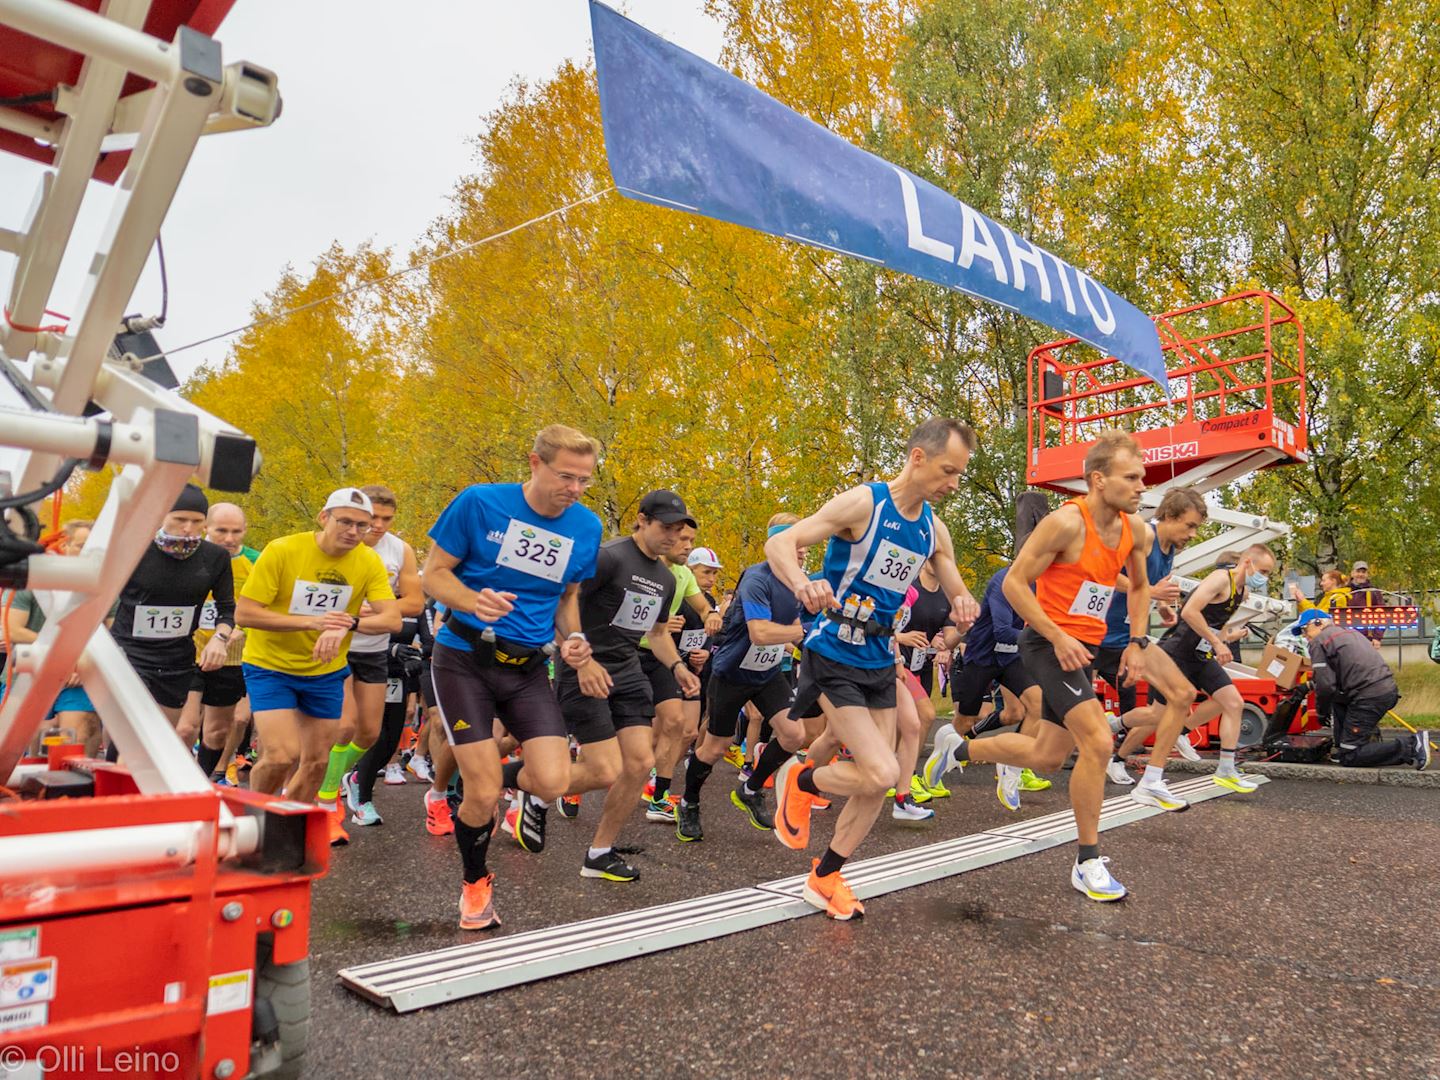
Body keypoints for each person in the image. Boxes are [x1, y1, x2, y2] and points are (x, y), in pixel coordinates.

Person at [926, 430, 1156, 902]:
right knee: (1097, 742)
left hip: (1082, 651)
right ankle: (1087, 860)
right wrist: (1057, 634)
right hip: (1046, 646)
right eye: (1131, 477)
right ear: (1098, 479)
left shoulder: (1138, 530)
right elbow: (1013, 584)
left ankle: (958, 751)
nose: (1142, 485)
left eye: (1143, 477)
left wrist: (1137, 641)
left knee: (1047, 756)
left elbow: (1138, 587)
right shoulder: (1065, 524)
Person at [766, 416, 980, 921]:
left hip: (881, 657)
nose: (953, 483)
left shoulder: (932, 527)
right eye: (949, 470)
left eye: (960, 475)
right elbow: (780, 544)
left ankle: (825, 877)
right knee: (882, 769)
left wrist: (964, 598)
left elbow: (951, 578)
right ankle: (801, 779)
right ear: (918, 457)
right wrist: (802, 582)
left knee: (876, 782)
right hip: (835, 650)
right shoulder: (865, 503)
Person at [422, 425, 605, 927]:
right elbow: (433, 574)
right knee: (479, 791)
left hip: (527, 667)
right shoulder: (480, 504)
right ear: (535, 463)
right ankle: (475, 882)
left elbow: (567, 598)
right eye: (566, 476)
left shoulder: (586, 528)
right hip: (464, 658)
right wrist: (471, 599)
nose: (575, 488)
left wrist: (574, 640)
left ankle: (501, 799)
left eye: (585, 480)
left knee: (552, 781)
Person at [235, 487, 401, 842]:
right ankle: (253, 822)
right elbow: (245, 613)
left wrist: (348, 622)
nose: (353, 532)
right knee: (280, 756)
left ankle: (279, 830)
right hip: (271, 666)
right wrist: (310, 622)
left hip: (324, 672)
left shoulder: (367, 561)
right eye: (345, 522)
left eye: (362, 525)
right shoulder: (283, 550)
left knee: (316, 764)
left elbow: (392, 620)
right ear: (323, 517)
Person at [557, 490, 702, 882]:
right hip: (585, 667)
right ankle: (528, 786)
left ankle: (599, 852)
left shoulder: (666, 580)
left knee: (639, 763)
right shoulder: (609, 556)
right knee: (605, 769)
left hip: (628, 668)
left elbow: (655, 634)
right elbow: (563, 602)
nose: (674, 537)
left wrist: (676, 667)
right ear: (642, 520)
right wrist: (580, 659)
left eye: (680, 530)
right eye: (666, 528)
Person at [676, 515, 809, 842]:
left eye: (806, 543)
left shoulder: (799, 583)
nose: (804, 550)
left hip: (766, 673)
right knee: (715, 747)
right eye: (798, 543)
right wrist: (807, 630)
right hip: (732, 673)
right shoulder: (757, 578)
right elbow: (760, 632)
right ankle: (689, 802)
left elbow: (795, 632)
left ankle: (750, 789)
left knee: (794, 735)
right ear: (779, 545)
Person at [1094, 488, 1209, 801]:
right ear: (1169, 517)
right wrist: (1151, 593)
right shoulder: (1143, 535)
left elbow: (1150, 589)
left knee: (1182, 694)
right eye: (1189, 525)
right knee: (1052, 740)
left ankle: (1150, 780)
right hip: (1095, 636)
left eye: (1197, 527)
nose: (1193, 534)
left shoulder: (1170, 550)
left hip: (1129, 639)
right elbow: (1105, 575)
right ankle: (1009, 757)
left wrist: (1162, 607)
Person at [1146, 543, 1277, 794]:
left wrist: (1225, 637)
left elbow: (1215, 622)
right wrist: (1217, 642)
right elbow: (1189, 610)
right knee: (1156, 716)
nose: (1264, 578)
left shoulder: (1242, 590)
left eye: (1268, 574)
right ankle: (1116, 729)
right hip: (1179, 653)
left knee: (1233, 702)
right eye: (1264, 571)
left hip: (1201, 654)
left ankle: (1225, 769)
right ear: (1247, 562)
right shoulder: (1220, 579)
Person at [110, 485, 236, 739]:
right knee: (131, 736)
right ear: (162, 516)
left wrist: (220, 638)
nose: (188, 528)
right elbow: (101, 599)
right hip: (129, 652)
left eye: (197, 521)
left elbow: (226, 609)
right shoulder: (134, 547)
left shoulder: (215, 557)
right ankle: (114, 776)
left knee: (159, 738)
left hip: (176, 659)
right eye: (180, 519)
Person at [332, 485, 424, 824]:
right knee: (343, 727)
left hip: (380, 649)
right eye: (374, 518)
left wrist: (380, 608)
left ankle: (355, 783)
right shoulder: (337, 544)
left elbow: (415, 603)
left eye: (387, 519)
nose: (379, 525)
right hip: (335, 647)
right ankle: (326, 796)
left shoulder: (400, 550)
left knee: (381, 733)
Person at [638, 520, 722, 821]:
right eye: (682, 539)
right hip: (625, 654)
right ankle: (574, 788)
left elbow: (702, 608)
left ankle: (658, 796)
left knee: (677, 724)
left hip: (662, 657)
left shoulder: (683, 574)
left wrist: (711, 614)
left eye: (691, 540)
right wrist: (659, 627)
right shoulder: (637, 567)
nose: (687, 545)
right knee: (624, 738)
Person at [2, 521, 99, 755]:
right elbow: (12, 629)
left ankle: (76, 786)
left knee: (79, 734)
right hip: (27, 670)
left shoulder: (102, 585)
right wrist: (64, 653)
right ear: (64, 545)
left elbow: (106, 633)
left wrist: (80, 663)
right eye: (81, 547)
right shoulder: (30, 579)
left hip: (75, 673)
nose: (86, 555)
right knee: (17, 746)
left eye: (93, 550)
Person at [1298, 609, 1431, 768]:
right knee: (1338, 701)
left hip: (1368, 697)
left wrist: (1321, 713)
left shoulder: (1319, 641)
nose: (1304, 635)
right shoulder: (1349, 633)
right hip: (1385, 690)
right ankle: (1343, 746)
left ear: (1318, 623)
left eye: (1304, 630)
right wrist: (1311, 685)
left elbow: (1326, 686)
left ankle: (1411, 746)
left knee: (1351, 756)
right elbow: (1341, 675)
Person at [180, 502, 254, 782]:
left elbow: (266, 607)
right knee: (186, 728)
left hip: (232, 657)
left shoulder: (255, 561)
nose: (229, 538)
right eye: (221, 530)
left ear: (245, 530)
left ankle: (198, 782)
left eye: (236, 531)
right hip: (189, 653)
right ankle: (176, 782)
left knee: (217, 732)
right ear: (206, 528)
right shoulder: (188, 557)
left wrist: (240, 629)